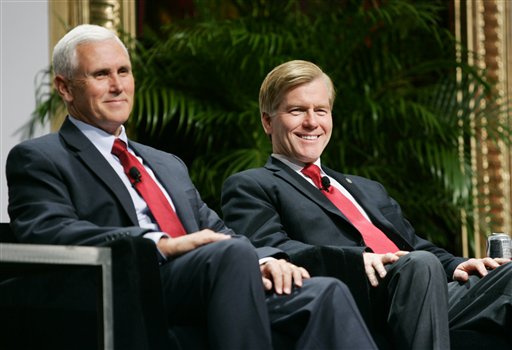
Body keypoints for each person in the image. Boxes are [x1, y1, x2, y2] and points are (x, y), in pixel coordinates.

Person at [6, 25, 378, 350]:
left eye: (124, 71)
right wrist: (162, 244)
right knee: (229, 256)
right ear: (65, 88)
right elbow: (48, 231)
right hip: (133, 282)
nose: (118, 85)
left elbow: (216, 229)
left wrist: (265, 261)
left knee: (324, 291)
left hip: (214, 276)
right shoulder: (41, 157)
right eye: (101, 74)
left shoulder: (166, 163)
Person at [221, 59, 512, 349]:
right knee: (418, 266)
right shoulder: (251, 184)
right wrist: (355, 260)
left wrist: (460, 264)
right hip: (361, 294)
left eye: (320, 111)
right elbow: (271, 250)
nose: (312, 122)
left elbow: (415, 244)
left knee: (506, 274)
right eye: (297, 110)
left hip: (424, 284)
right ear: (268, 121)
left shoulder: (365, 187)